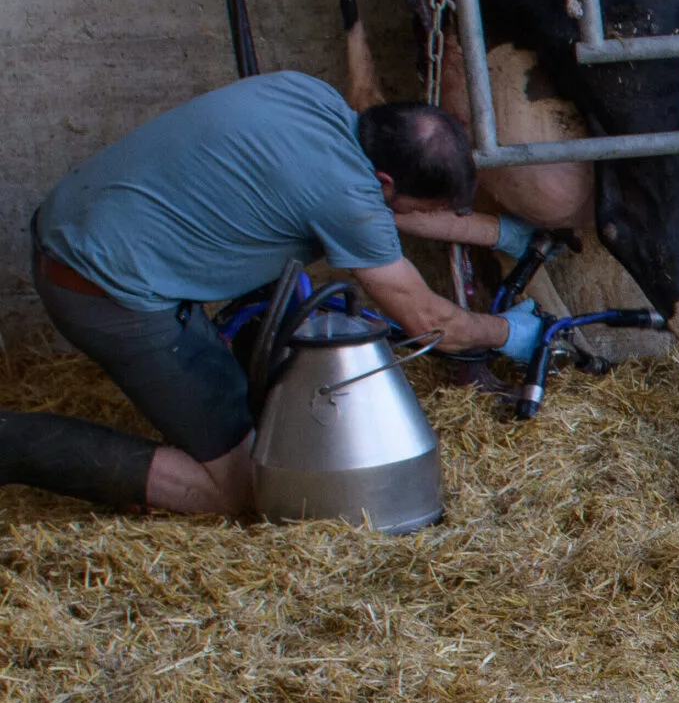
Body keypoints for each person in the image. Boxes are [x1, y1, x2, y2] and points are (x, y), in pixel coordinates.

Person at [3, 71, 546, 518]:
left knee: (255, 425)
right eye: (414, 204)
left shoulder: (310, 94)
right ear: (383, 183)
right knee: (244, 494)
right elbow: (432, 325)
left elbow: (378, 214)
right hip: (104, 290)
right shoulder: (350, 199)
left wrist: (501, 233)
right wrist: (512, 333)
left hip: (78, 226)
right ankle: (13, 442)